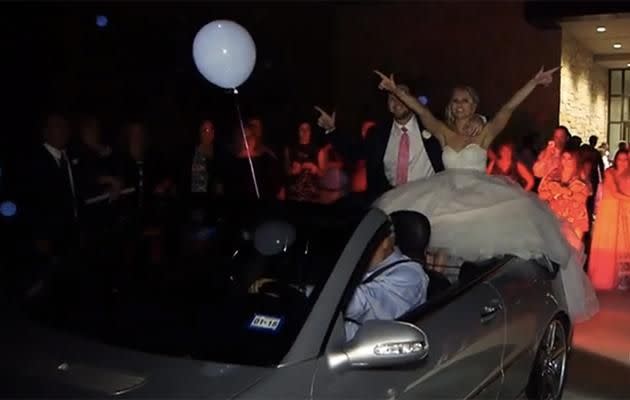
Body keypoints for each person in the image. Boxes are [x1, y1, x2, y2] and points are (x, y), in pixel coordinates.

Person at [374, 67, 598, 323]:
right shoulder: (443, 132)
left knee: (464, 260)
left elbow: (508, 109)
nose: (460, 105)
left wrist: (533, 82)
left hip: (479, 197)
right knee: (434, 254)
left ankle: (467, 311)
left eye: (465, 100)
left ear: (474, 106)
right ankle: (429, 308)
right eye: (456, 100)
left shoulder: (484, 133)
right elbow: (422, 111)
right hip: (444, 195)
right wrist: (394, 90)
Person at [315, 86, 484, 201]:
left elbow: (462, 119)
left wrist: (480, 118)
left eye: (402, 96)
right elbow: (354, 152)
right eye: (391, 98)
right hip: (390, 199)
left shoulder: (433, 127)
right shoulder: (378, 133)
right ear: (388, 105)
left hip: (427, 200)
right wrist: (332, 130)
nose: (397, 101)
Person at [343, 222, 429, 340]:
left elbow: (365, 304)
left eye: (361, 242)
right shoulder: (353, 268)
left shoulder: (411, 275)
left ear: (385, 242)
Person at [588, 150, 630, 290]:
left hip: (624, 212)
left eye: (626, 159)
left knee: (623, 245)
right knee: (610, 243)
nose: (623, 162)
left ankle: (623, 279)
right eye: (620, 159)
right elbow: (614, 192)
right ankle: (606, 278)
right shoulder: (610, 172)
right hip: (610, 212)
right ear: (615, 160)